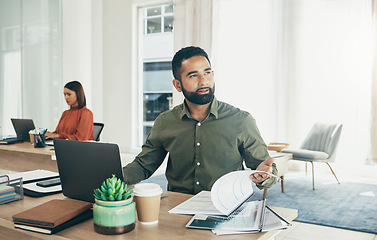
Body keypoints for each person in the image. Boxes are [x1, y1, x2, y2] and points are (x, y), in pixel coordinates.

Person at [123, 46, 277, 195]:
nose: (203, 81)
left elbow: (266, 169)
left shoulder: (241, 121)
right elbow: (143, 166)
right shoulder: (165, 122)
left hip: (226, 207)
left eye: (207, 73)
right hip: (178, 206)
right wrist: (110, 178)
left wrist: (265, 176)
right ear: (177, 84)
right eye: (193, 75)